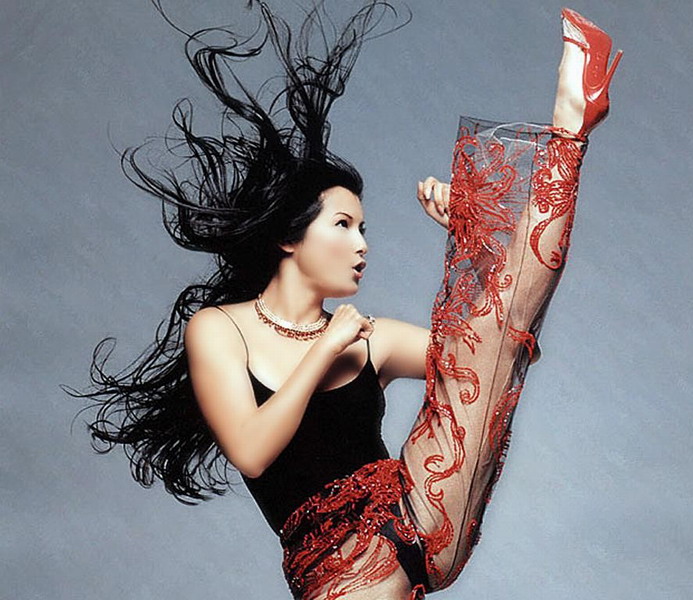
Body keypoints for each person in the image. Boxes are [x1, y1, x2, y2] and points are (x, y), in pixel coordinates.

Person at [67, 2, 622, 599]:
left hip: (422, 514)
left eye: (363, 229)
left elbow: (504, 354)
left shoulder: (372, 338)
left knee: (487, 341)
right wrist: (324, 349)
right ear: (289, 237)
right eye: (343, 225)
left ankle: (569, 130)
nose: (362, 245)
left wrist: (472, 243)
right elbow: (252, 452)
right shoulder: (219, 330)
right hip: (339, 571)